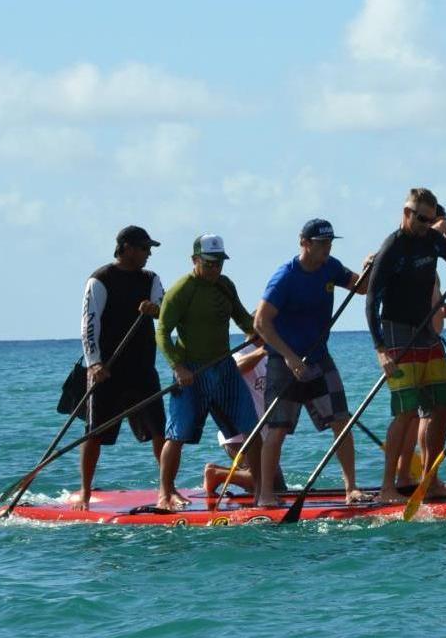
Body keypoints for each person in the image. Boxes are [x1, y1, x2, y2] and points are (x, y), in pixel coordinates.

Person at [364, 188, 446, 505]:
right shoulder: (392, 247)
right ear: (406, 213)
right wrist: (380, 350)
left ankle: (430, 479)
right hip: (396, 333)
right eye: (420, 218)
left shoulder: (432, 239)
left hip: (427, 331)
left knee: (445, 405)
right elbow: (371, 301)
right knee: (405, 413)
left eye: (430, 219)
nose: (425, 224)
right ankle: (387, 488)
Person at [253, 219, 374, 508]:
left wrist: (369, 268)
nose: (327, 250)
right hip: (285, 361)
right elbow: (261, 322)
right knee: (278, 428)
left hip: (319, 357)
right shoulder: (285, 277)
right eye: (322, 245)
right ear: (305, 243)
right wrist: (289, 356)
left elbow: (361, 288)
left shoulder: (331, 267)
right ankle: (266, 494)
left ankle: (351, 488)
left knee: (341, 421)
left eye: (330, 244)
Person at [155, 233, 271, 512]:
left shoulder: (225, 285)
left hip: (225, 369)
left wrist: (262, 335)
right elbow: (162, 332)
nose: (214, 269)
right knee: (177, 434)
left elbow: (243, 317)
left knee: (252, 430)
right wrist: (177, 366)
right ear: (195, 260)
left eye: (219, 263)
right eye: (208, 263)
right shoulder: (181, 290)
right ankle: (166, 493)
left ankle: (262, 493)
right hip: (192, 372)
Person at [59, 225, 166, 500]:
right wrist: (94, 363)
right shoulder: (100, 279)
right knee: (95, 433)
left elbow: (165, 312)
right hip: (108, 369)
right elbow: (89, 325)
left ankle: (168, 489)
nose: (148, 254)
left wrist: (156, 310)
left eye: (149, 249)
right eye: (144, 248)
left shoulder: (151, 279)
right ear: (126, 248)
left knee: (160, 431)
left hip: (142, 367)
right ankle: (84, 491)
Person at [203, 343, 269, 497]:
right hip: (240, 433)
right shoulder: (242, 351)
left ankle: (239, 479)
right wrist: (263, 350)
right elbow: (234, 369)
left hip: (260, 434)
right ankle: (216, 474)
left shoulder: (270, 355)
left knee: (277, 486)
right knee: (265, 483)